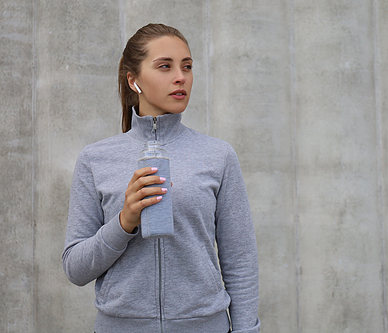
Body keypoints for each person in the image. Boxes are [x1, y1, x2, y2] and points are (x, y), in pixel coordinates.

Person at [62, 23, 260, 333]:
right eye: (165, 66)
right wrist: (124, 222)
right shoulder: (95, 159)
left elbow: (241, 260)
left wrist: (247, 330)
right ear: (134, 80)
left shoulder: (218, 155)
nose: (180, 77)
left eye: (187, 66)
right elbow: (75, 268)